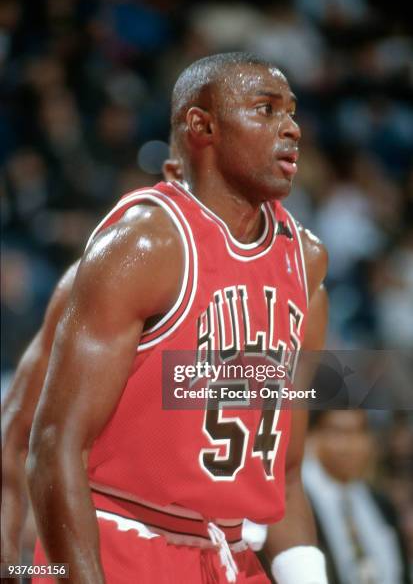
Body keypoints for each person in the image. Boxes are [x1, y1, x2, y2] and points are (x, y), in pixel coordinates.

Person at [27, 53, 329, 584]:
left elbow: (285, 470)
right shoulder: (147, 244)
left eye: (292, 112)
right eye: (266, 109)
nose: (292, 128)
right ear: (202, 126)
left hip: (229, 556)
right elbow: (53, 444)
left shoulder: (305, 263)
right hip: (124, 542)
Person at [1, 158, 183, 573]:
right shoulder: (99, 278)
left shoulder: (289, 268)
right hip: (117, 539)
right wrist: (10, 558)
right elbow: (19, 431)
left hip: (216, 542)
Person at [303, 410, 411, 584]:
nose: (350, 445)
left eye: (359, 432)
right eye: (338, 432)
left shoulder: (381, 503)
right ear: (313, 437)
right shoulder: (300, 504)